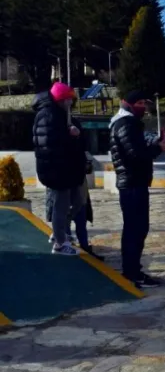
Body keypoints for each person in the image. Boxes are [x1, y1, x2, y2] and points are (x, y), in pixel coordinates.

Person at [110, 90, 165, 287]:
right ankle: (131, 271)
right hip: (132, 183)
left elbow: (137, 149)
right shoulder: (126, 124)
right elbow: (135, 154)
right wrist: (157, 149)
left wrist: (153, 145)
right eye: (140, 103)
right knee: (135, 229)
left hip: (135, 182)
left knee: (137, 228)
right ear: (128, 103)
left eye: (145, 102)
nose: (143, 107)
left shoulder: (128, 123)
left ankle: (133, 269)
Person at [33, 82, 86, 256]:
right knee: (60, 206)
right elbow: (50, 143)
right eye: (68, 100)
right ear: (60, 100)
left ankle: (59, 232)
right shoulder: (49, 115)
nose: (70, 104)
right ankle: (59, 242)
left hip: (66, 168)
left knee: (77, 201)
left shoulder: (59, 114)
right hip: (57, 169)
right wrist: (69, 135)